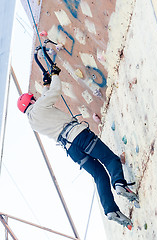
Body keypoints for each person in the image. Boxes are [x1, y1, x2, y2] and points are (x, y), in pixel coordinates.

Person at [17, 65, 138, 229]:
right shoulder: (39, 106)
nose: (36, 99)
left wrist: (46, 84)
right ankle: (119, 184)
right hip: (79, 136)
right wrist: (54, 75)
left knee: (99, 176)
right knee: (110, 159)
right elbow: (54, 93)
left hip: (72, 150)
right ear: (31, 101)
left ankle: (110, 210)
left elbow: (46, 99)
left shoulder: (33, 122)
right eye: (34, 98)